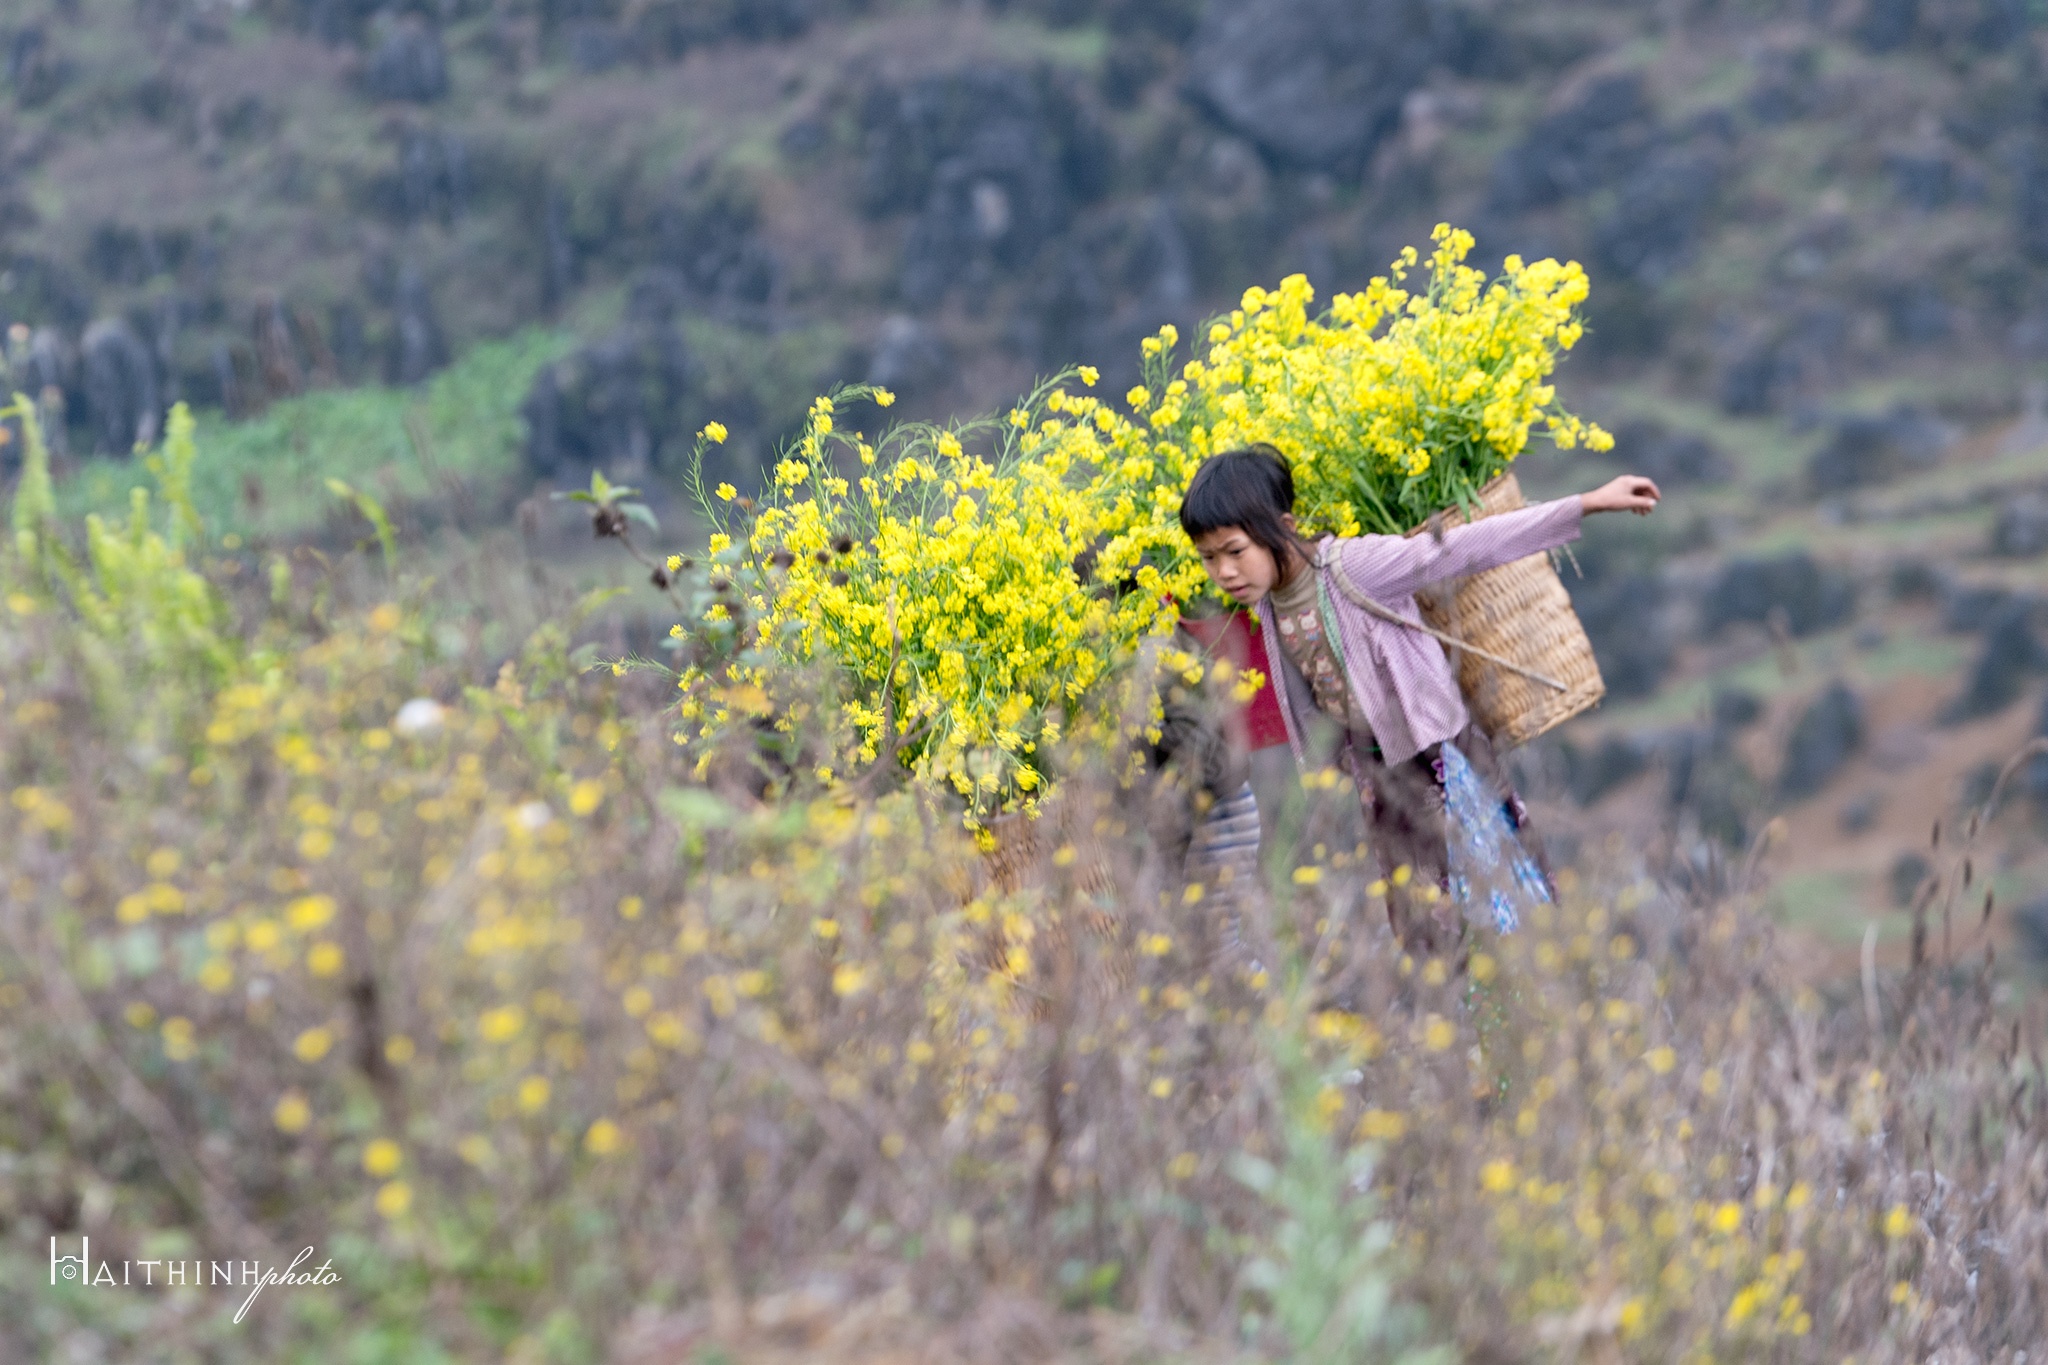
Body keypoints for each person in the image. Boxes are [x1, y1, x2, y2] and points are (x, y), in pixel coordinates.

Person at [1178, 444, 1661, 954]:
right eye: (1209, 558)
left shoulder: (1353, 567)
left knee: (1498, 885)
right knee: (1420, 916)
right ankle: (1456, 1000)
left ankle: (1537, 980)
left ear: (1285, 527)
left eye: (1235, 551)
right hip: (1379, 774)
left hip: (1439, 754)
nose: (1224, 572)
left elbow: (1463, 547)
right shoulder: (1268, 604)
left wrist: (1587, 503)